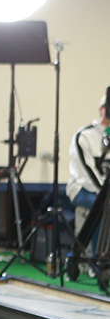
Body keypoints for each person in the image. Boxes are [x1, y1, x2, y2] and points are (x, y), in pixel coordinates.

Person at [68, 100, 108, 236]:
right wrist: (105, 193)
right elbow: (85, 173)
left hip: (104, 191)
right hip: (83, 189)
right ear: (101, 109)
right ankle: (96, 249)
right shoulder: (85, 135)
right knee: (102, 207)